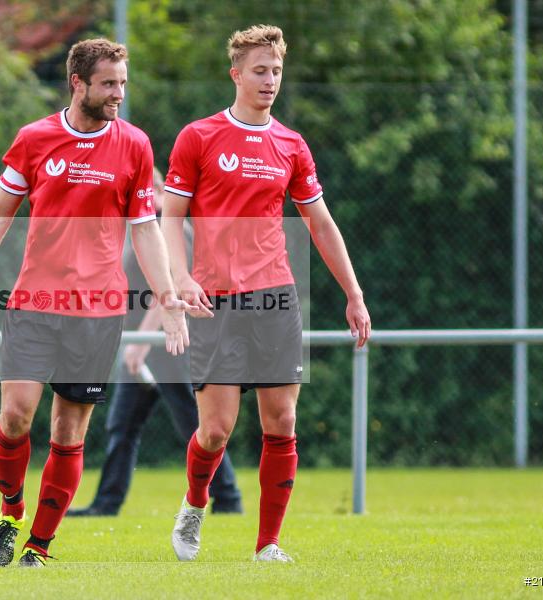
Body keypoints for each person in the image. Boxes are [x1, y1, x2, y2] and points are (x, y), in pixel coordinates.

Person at [0, 38, 202, 568]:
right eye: (108, 83)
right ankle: (11, 513)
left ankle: (39, 544)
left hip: (98, 311)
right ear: (77, 83)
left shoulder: (135, 145)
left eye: (123, 82)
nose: (118, 93)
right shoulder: (35, 139)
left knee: (67, 431)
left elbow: (146, 231)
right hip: (35, 302)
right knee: (14, 417)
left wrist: (168, 298)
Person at [161, 24, 372, 563]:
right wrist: (181, 278)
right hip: (214, 300)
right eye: (260, 71)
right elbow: (170, 218)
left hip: (275, 296)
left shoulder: (291, 145)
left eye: (276, 71)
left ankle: (268, 544)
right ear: (236, 74)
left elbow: (320, 224)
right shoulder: (199, 137)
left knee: (282, 423)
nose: (269, 80)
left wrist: (353, 293)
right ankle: (193, 505)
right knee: (217, 429)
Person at [67, 168, 242, 518]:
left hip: (173, 344)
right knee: (123, 424)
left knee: (196, 423)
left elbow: (170, 289)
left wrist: (143, 344)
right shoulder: (141, 226)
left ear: (156, 189)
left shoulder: (168, 226)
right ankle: (106, 503)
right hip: (143, 346)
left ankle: (228, 498)